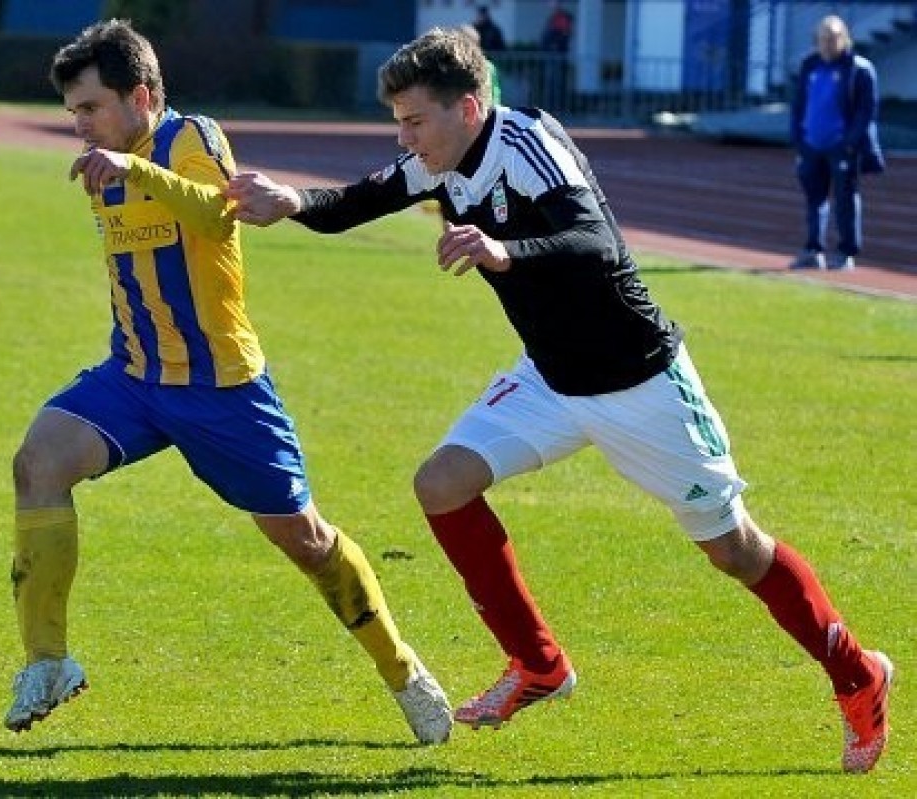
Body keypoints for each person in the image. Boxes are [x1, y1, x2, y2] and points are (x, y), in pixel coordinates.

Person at [225, 27, 893, 773]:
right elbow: (361, 198)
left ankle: (859, 674)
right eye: (399, 123)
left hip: (641, 383)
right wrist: (292, 200)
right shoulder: (437, 162)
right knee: (441, 484)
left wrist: (505, 251)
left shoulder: (527, 142)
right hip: (550, 380)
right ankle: (538, 663)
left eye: (414, 121)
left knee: (734, 549)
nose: (404, 138)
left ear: (468, 108)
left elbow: (593, 240)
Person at [2, 18, 453, 745]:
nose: (79, 124)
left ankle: (402, 670)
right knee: (38, 464)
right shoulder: (103, 164)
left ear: (140, 96)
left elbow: (218, 218)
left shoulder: (191, 137)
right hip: (135, 375)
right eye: (72, 111)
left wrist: (136, 171)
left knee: (306, 541)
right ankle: (48, 661)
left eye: (90, 107)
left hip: (223, 388)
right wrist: (119, 167)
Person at [789, 15, 884, 271]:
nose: (828, 44)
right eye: (823, 39)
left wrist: (850, 142)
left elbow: (867, 111)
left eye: (833, 38)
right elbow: (799, 103)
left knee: (845, 199)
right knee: (814, 199)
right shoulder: (809, 65)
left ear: (845, 39)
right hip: (811, 143)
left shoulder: (859, 69)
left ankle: (846, 251)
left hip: (841, 145)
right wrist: (797, 137)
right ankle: (813, 249)